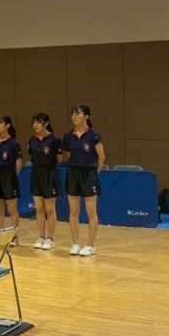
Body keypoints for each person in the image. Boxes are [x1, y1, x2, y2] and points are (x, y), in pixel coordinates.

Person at [63, 104, 105, 257]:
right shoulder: (68, 136)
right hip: (73, 174)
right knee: (73, 211)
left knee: (91, 212)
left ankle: (90, 245)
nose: (74, 116)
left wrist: (94, 173)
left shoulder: (94, 135)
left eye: (77, 114)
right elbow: (68, 157)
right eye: (72, 114)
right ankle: (75, 243)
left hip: (89, 175)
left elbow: (101, 157)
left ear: (86, 117)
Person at [28, 113, 63, 250]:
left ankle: (50, 238)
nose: (35, 125)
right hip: (36, 174)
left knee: (49, 209)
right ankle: (41, 237)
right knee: (39, 208)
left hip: (50, 174)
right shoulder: (32, 140)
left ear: (46, 124)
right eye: (34, 122)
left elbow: (59, 159)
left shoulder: (55, 140)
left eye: (38, 122)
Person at [0, 115, 22, 247]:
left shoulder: (14, 143)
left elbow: (18, 163)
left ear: (7, 125)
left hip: (9, 176)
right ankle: (1, 235)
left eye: (0, 123)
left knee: (12, 209)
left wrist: (12, 177)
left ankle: (14, 237)